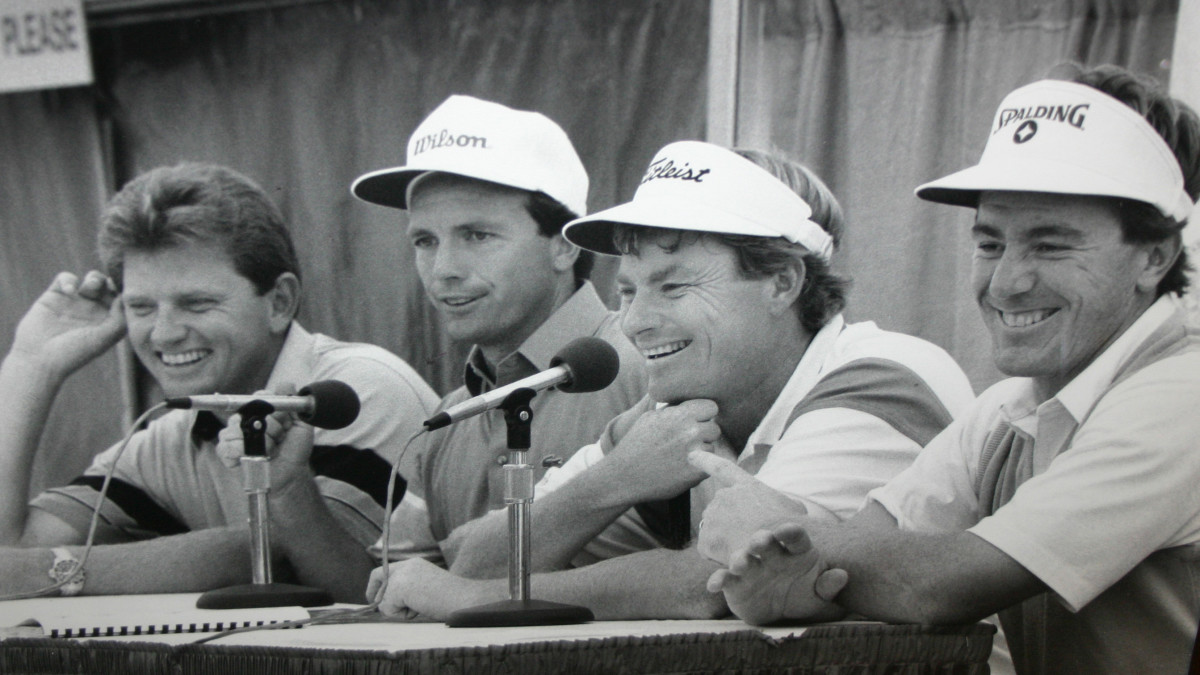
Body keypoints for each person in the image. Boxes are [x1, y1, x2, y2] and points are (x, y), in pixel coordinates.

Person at [694, 64, 1200, 674]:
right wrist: (788, 564)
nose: (1007, 282)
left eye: (1052, 245)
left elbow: (939, 584)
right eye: (990, 244)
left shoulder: (1182, 392)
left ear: (1154, 257)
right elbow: (866, 549)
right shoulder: (1010, 407)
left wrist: (775, 531)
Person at [366, 140, 975, 620]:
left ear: (783, 283)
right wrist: (611, 479)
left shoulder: (881, 373)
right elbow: (470, 561)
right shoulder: (675, 411)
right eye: (627, 290)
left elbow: (719, 582)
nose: (632, 322)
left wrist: (473, 603)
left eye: (675, 286)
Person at [0, 163, 438, 601]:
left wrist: (55, 570)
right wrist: (31, 365)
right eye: (141, 307)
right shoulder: (168, 439)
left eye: (197, 303)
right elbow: (13, 544)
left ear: (280, 303)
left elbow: (274, 553)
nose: (165, 333)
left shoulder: (359, 388)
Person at [349, 95, 647, 568]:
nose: (443, 269)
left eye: (477, 236)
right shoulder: (446, 420)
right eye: (425, 241)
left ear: (565, 247)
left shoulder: (649, 372)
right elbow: (389, 588)